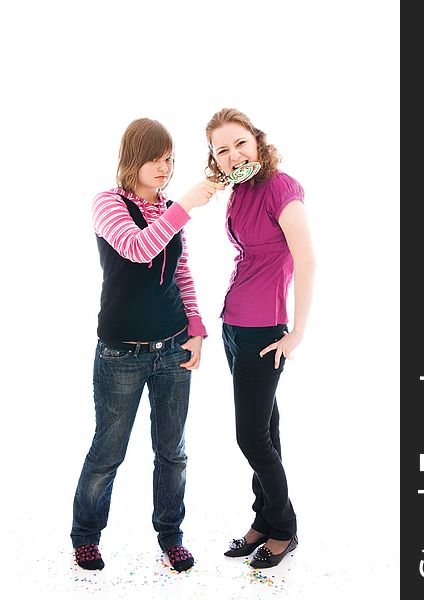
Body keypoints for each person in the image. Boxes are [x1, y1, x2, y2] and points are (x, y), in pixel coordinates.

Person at [71, 118, 223, 573]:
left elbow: (181, 273)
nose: (166, 167)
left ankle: (171, 536)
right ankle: (86, 536)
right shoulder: (107, 204)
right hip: (121, 353)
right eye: (157, 157)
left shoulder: (170, 210)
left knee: (172, 453)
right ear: (132, 158)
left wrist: (195, 329)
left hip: (172, 348)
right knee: (108, 453)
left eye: (171, 158)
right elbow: (138, 249)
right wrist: (189, 206)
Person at [205, 108, 315, 569]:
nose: (233, 155)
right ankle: (263, 522)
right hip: (234, 327)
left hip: (264, 333)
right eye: (222, 150)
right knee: (265, 429)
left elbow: (307, 260)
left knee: (250, 437)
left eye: (240, 143)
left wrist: (295, 335)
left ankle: (284, 528)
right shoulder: (238, 190)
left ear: (257, 140)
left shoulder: (280, 186)